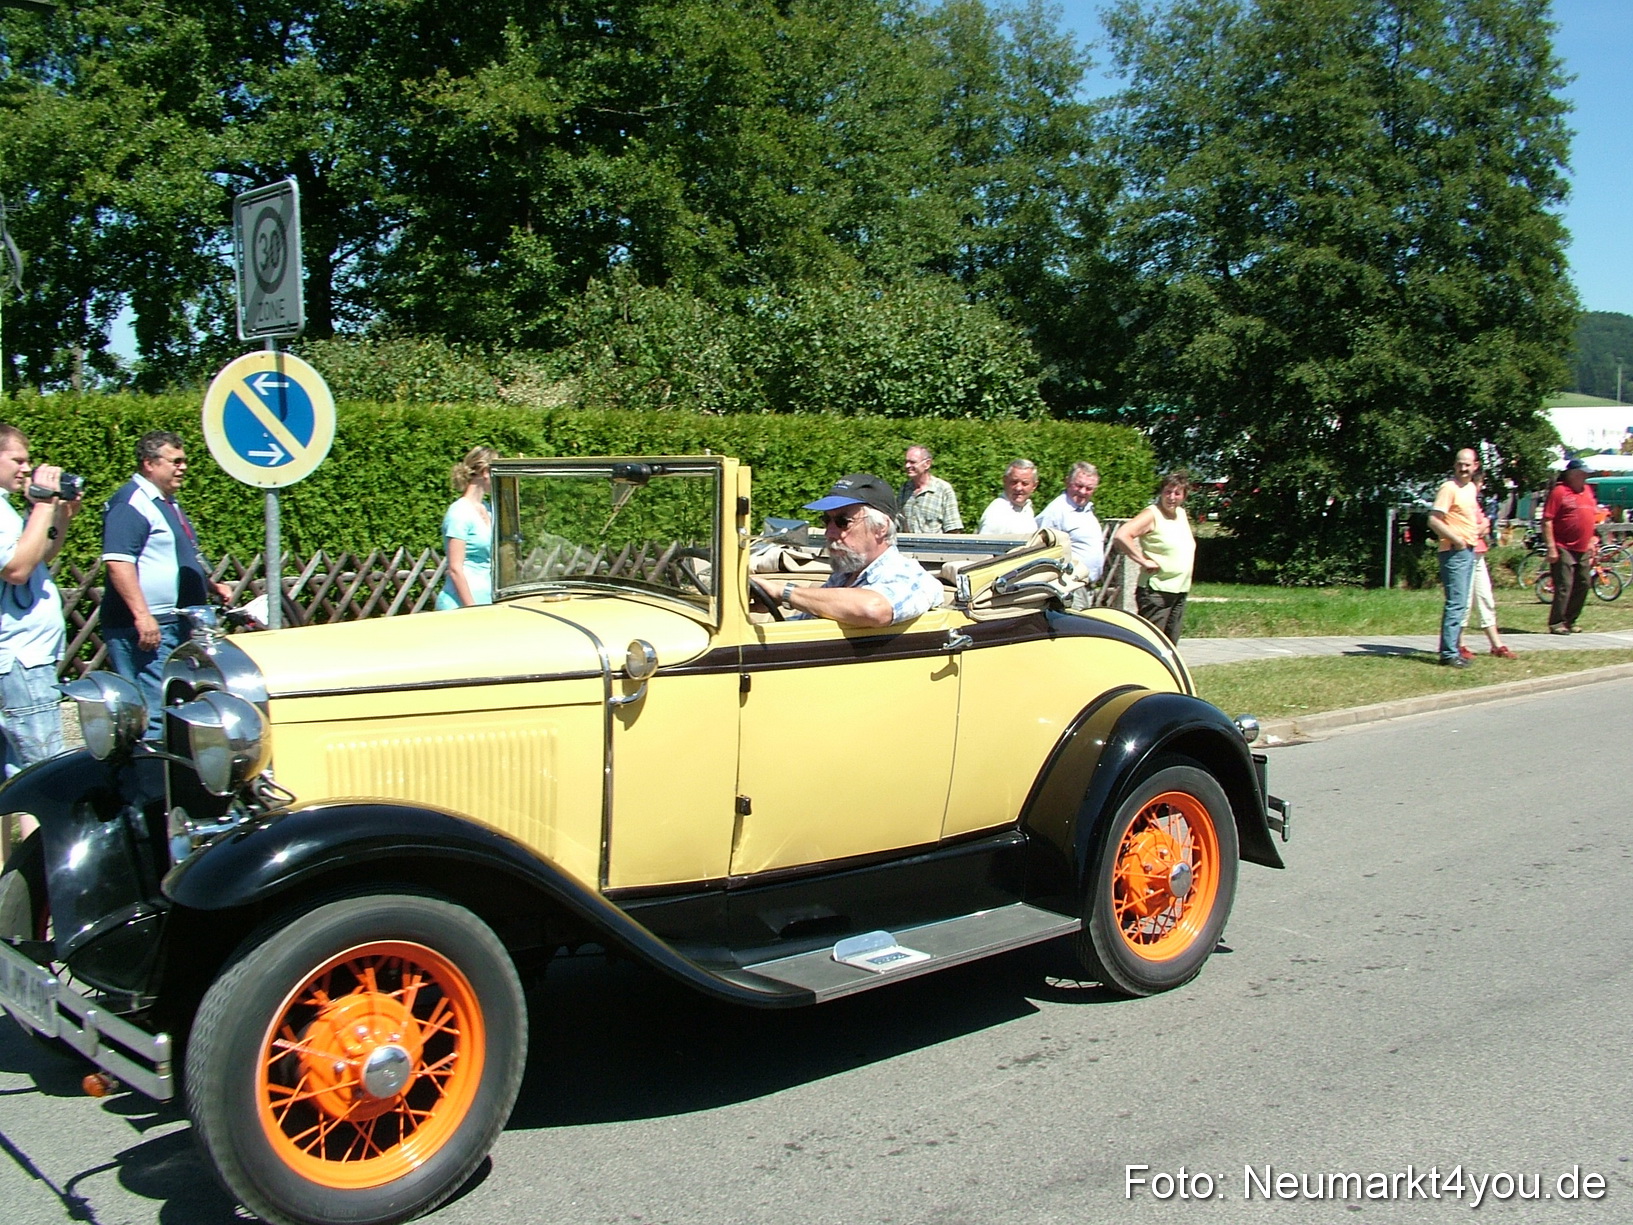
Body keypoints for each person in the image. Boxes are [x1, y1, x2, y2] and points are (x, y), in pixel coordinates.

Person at [101, 430, 231, 735]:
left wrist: (211, 585)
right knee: (155, 712)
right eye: (176, 461)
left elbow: (177, 554)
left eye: (184, 461)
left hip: (175, 622)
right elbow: (119, 563)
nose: (183, 467)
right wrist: (142, 615)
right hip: (149, 627)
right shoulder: (132, 503)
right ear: (149, 463)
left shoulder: (165, 502)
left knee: (178, 706)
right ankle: (154, 778)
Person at [0, 424, 78, 778]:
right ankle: (43, 837)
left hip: (23, 659)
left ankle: (21, 837)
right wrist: (43, 505)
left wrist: (59, 513)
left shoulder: (6, 509)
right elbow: (16, 569)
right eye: (17, 459)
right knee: (44, 776)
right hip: (20, 660)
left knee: (16, 777)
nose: (26, 469)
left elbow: (38, 557)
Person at [774, 474, 943, 627]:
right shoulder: (842, 577)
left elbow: (874, 610)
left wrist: (784, 593)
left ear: (881, 527)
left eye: (843, 522)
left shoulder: (910, 576)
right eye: (826, 520)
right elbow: (804, 626)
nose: (829, 532)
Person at [1112, 470, 1196, 643]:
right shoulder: (1152, 514)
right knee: (1152, 644)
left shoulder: (1180, 514)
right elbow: (1122, 535)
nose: (1172, 497)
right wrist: (1142, 560)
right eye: (1167, 492)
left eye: (1177, 493)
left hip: (1178, 590)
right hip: (1156, 593)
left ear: (1184, 496)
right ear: (1161, 492)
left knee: (1170, 645)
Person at [1428, 447, 1480, 667]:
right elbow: (1434, 519)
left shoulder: (1470, 488)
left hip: (1469, 549)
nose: (1463, 468)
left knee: (1462, 603)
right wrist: (1457, 541)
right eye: (1460, 464)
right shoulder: (1448, 488)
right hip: (1454, 551)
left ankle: (1454, 649)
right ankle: (1448, 653)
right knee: (1456, 603)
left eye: (1467, 464)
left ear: (1475, 466)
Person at [1457, 469, 1516, 660]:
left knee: (1485, 598)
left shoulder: (1475, 501)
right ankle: (1458, 643)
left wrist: (1481, 528)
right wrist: (1478, 528)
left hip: (1479, 552)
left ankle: (1496, 644)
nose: (1482, 487)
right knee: (1464, 601)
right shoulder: (1462, 499)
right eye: (1480, 483)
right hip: (1465, 553)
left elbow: (1484, 525)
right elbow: (1466, 526)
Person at [1542, 457, 1600, 635]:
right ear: (1572, 474)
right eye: (1582, 473)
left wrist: (1592, 539)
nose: (1585, 477)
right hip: (1563, 545)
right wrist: (1551, 547)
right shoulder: (1559, 492)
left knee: (1583, 582)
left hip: (1582, 547)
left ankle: (1570, 620)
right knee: (1564, 584)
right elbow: (1547, 520)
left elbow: (1591, 518)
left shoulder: (1587, 491)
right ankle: (1557, 622)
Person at [436, 446, 496, 611]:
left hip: (487, 600)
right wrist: (472, 608)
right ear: (485, 472)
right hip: (460, 605)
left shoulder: (488, 509)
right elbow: (455, 569)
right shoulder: (459, 512)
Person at [1036, 461, 1105, 584]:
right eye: (1078, 486)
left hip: (1085, 584)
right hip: (1068, 584)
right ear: (1068, 482)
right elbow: (1041, 550)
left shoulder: (1086, 509)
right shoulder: (1056, 511)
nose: (1083, 492)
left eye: (1089, 488)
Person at [898, 445, 963, 534]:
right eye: (906, 462)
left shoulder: (943, 489)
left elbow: (953, 529)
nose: (907, 465)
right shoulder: (905, 489)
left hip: (934, 547)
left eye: (912, 462)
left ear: (927, 464)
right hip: (909, 546)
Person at [976, 459, 1039, 536]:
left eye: (1024, 483)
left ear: (1034, 485)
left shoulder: (1026, 508)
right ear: (1005, 481)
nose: (1018, 488)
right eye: (1014, 482)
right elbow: (984, 545)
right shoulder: (998, 513)